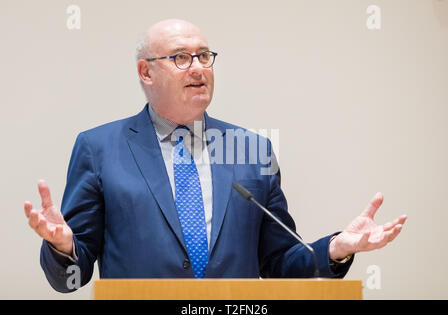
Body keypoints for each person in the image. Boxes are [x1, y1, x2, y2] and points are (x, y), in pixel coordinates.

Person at [24, 19, 407, 293]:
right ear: (146, 72)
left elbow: (278, 264)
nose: (198, 68)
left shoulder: (252, 149)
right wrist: (63, 247)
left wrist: (336, 249)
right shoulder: (99, 147)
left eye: (205, 56)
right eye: (180, 58)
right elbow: (70, 279)